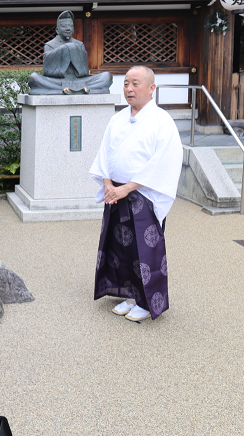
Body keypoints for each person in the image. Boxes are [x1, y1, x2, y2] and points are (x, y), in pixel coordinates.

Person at [89, 66, 183, 322]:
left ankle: (147, 301)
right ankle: (130, 295)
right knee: (120, 248)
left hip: (143, 194)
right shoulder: (117, 118)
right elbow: (104, 153)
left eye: (136, 84)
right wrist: (108, 183)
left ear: (151, 88)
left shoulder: (161, 120)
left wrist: (127, 187)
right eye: (126, 84)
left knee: (146, 250)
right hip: (115, 192)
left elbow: (164, 161)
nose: (129, 89)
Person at [28, 10, 112, 95]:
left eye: (70, 26)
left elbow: (84, 72)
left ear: (73, 29)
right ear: (57, 30)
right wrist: (66, 49)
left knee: (106, 76)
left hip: (79, 81)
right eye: (64, 26)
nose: (68, 28)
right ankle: (79, 90)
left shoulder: (79, 44)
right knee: (34, 78)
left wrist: (73, 49)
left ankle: (58, 91)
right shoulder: (50, 45)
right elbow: (47, 72)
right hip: (57, 82)